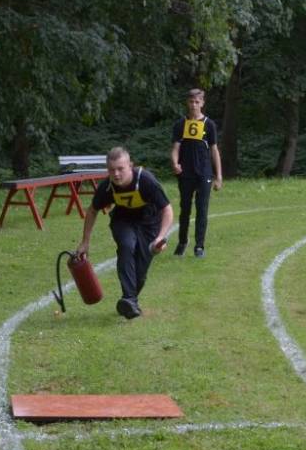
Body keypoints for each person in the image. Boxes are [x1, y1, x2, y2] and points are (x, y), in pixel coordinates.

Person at [76, 147, 173, 319]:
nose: (116, 174)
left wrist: (161, 236)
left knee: (140, 272)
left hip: (149, 223)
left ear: (130, 166)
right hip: (123, 221)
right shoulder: (107, 187)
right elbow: (92, 211)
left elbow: (167, 210)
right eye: (111, 170)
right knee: (126, 246)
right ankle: (128, 298)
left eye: (120, 169)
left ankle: (130, 302)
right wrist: (85, 242)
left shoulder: (146, 180)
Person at [170, 88, 222, 257]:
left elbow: (214, 150)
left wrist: (218, 176)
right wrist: (175, 163)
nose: (194, 105)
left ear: (202, 103)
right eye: (191, 102)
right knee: (185, 208)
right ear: (187, 103)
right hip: (185, 173)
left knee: (202, 209)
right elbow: (175, 148)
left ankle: (199, 246)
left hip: (204, 173)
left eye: (197, 102)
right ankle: (182, 242)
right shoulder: (180, 124)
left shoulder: (209, 124)